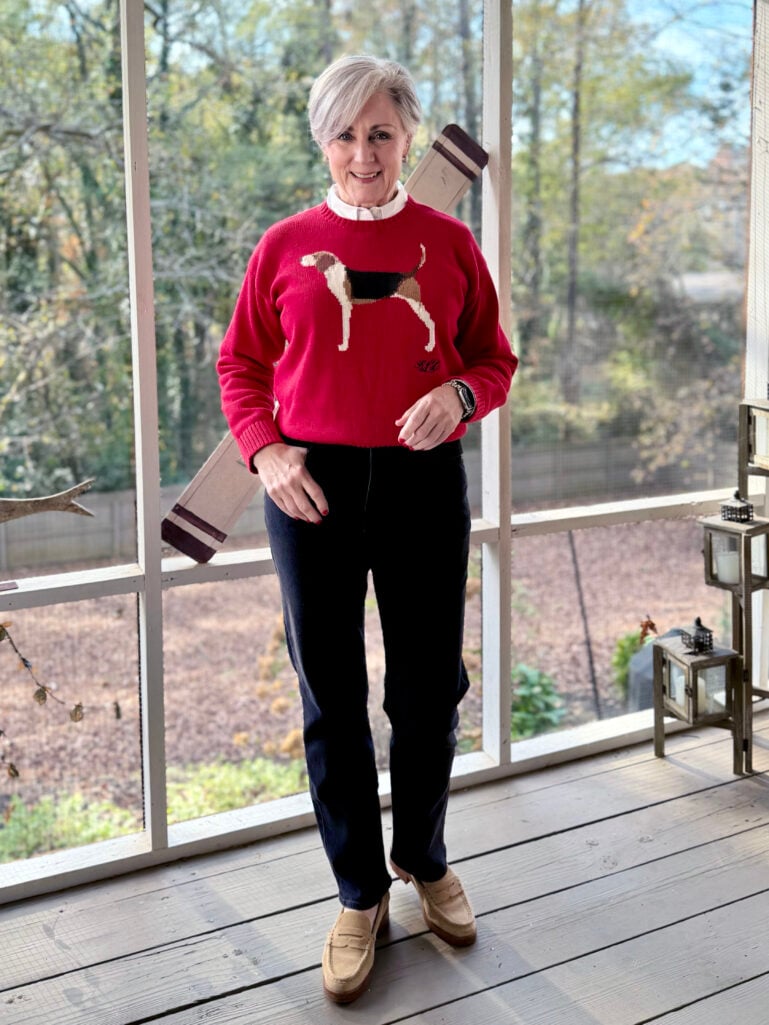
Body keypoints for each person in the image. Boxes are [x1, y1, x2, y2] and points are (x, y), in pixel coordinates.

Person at [217, 53, 518, 1004]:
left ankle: (423, 861)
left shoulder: (449, 243)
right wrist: (267, 453)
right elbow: (240, 368)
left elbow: (494, 358)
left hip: (425, 481)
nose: (363, 153)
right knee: (331, 697)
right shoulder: (283, 247)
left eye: (380, 133)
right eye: (345, 134)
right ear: (322, 140)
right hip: (311, 488)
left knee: (428, 687)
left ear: (407, 137)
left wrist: (462, 395)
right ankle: (357, 893)